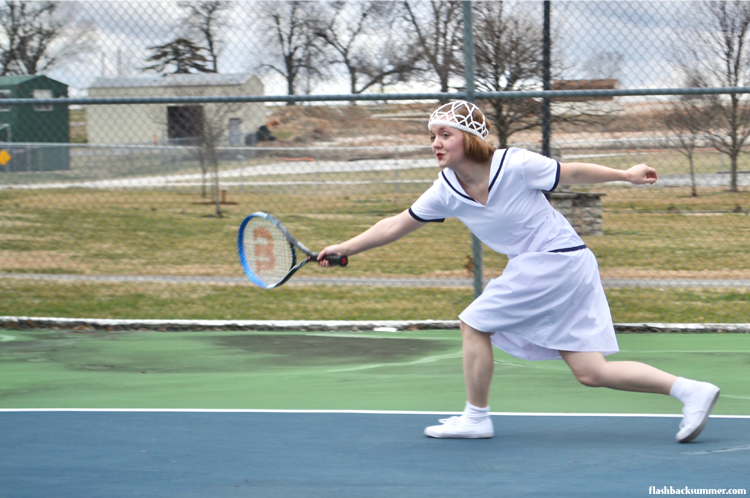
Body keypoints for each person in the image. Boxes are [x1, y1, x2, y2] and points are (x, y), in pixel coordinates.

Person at [317, 100, 720, 443]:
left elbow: (572, 172)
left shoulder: (515, 164)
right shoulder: (445, 189)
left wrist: (626, 175)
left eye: (445, 135)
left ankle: (476, 417)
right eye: (432, 137)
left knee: (473, 323)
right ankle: (692, 391)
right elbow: (397, 223)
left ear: (469, 138)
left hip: (557, 260)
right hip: (564, 265)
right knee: (591, 372)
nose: (436, 144)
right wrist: (344, 247)